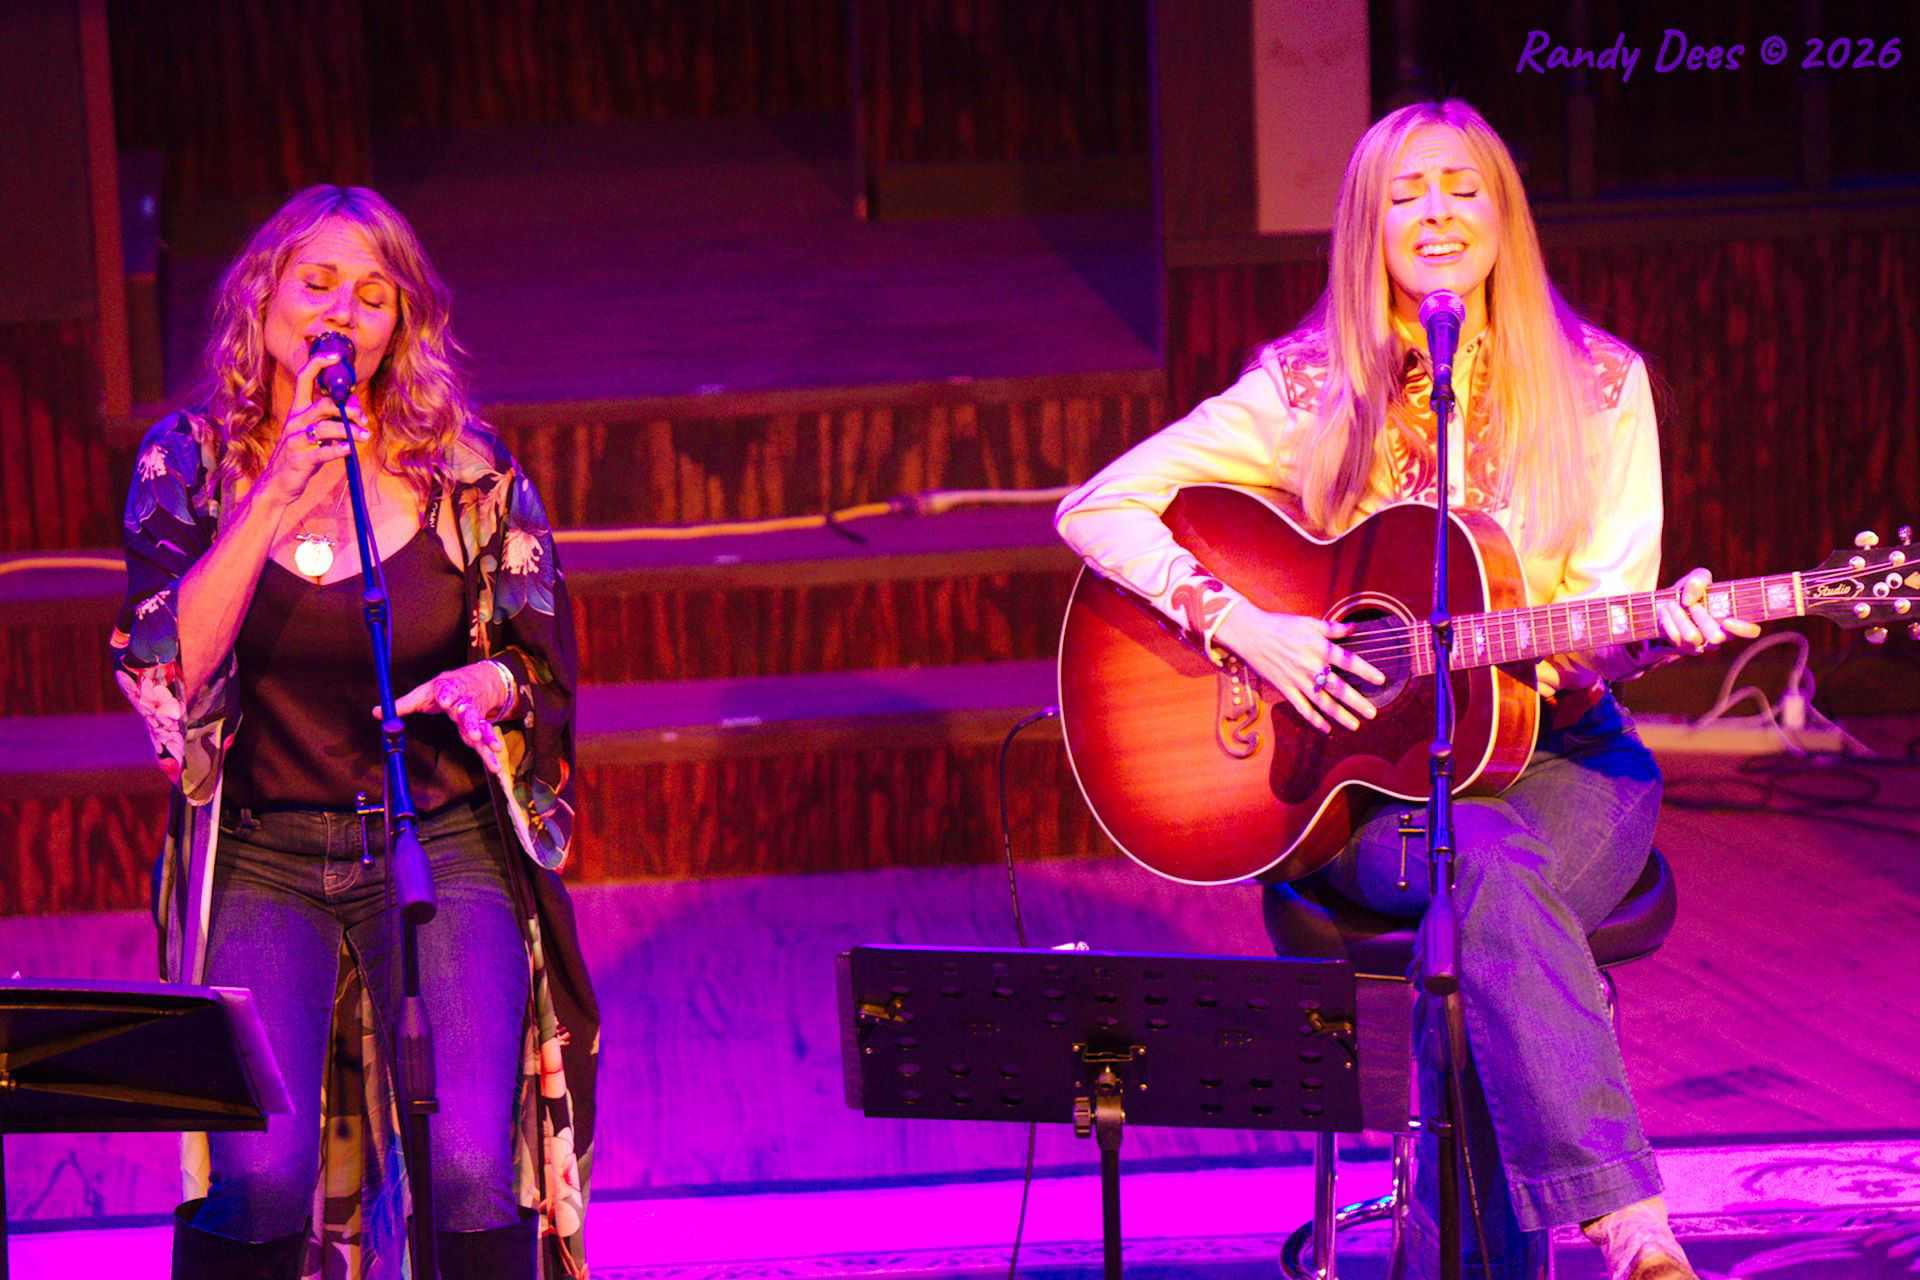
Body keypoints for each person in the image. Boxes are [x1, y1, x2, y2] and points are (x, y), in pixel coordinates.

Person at [1055, 100, 1756, 1280]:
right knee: (1476, 865)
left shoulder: (1600, 387)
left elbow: (1604, 615)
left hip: (1570, 763)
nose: (1436, 214)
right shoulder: (1305, 387)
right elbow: (1094, 506)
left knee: (1484, 891)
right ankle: (1630, 1226)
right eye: (1405, 195)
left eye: (1462, 188)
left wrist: (1650, 636)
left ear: (1504, 214)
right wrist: (1250, 626)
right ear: (1366, 228)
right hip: (1364, 798)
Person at [113, 185, 597, 1280]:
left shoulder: (466, 472)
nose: (342, 311)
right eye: (318, 281)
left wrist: (492, 684)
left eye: (373, 295)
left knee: (471, 1162)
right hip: (263, 852)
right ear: (265, 296)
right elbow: (166, 665)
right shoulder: (184, 464)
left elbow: (539, 661)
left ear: (399, 326)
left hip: (439, 836)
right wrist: (277, 490)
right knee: (263, 1177)